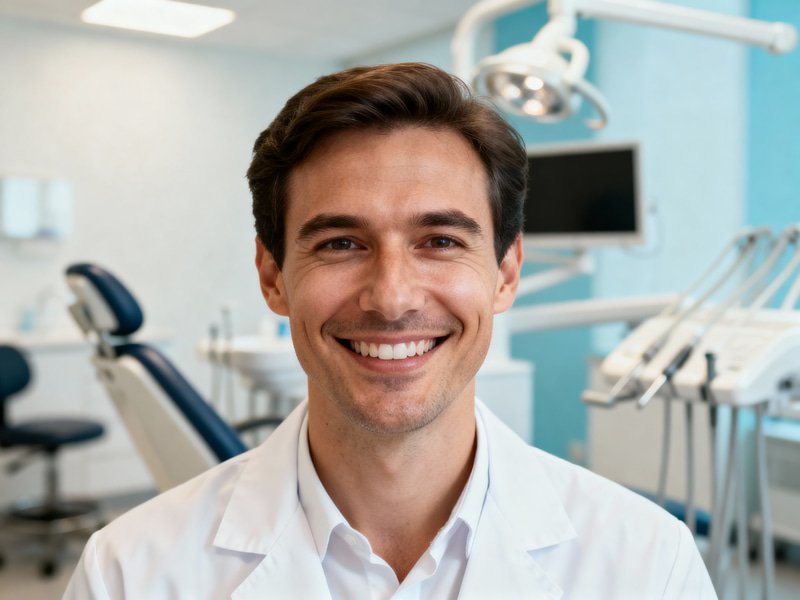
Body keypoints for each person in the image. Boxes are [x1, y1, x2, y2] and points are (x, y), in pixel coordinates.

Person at [64, 63, 716, 599]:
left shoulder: (646, 566)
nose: (393, 298)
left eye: (439, 240)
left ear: (506, 273)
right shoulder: (130, 573)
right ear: (273, 277)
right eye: (342, 242)